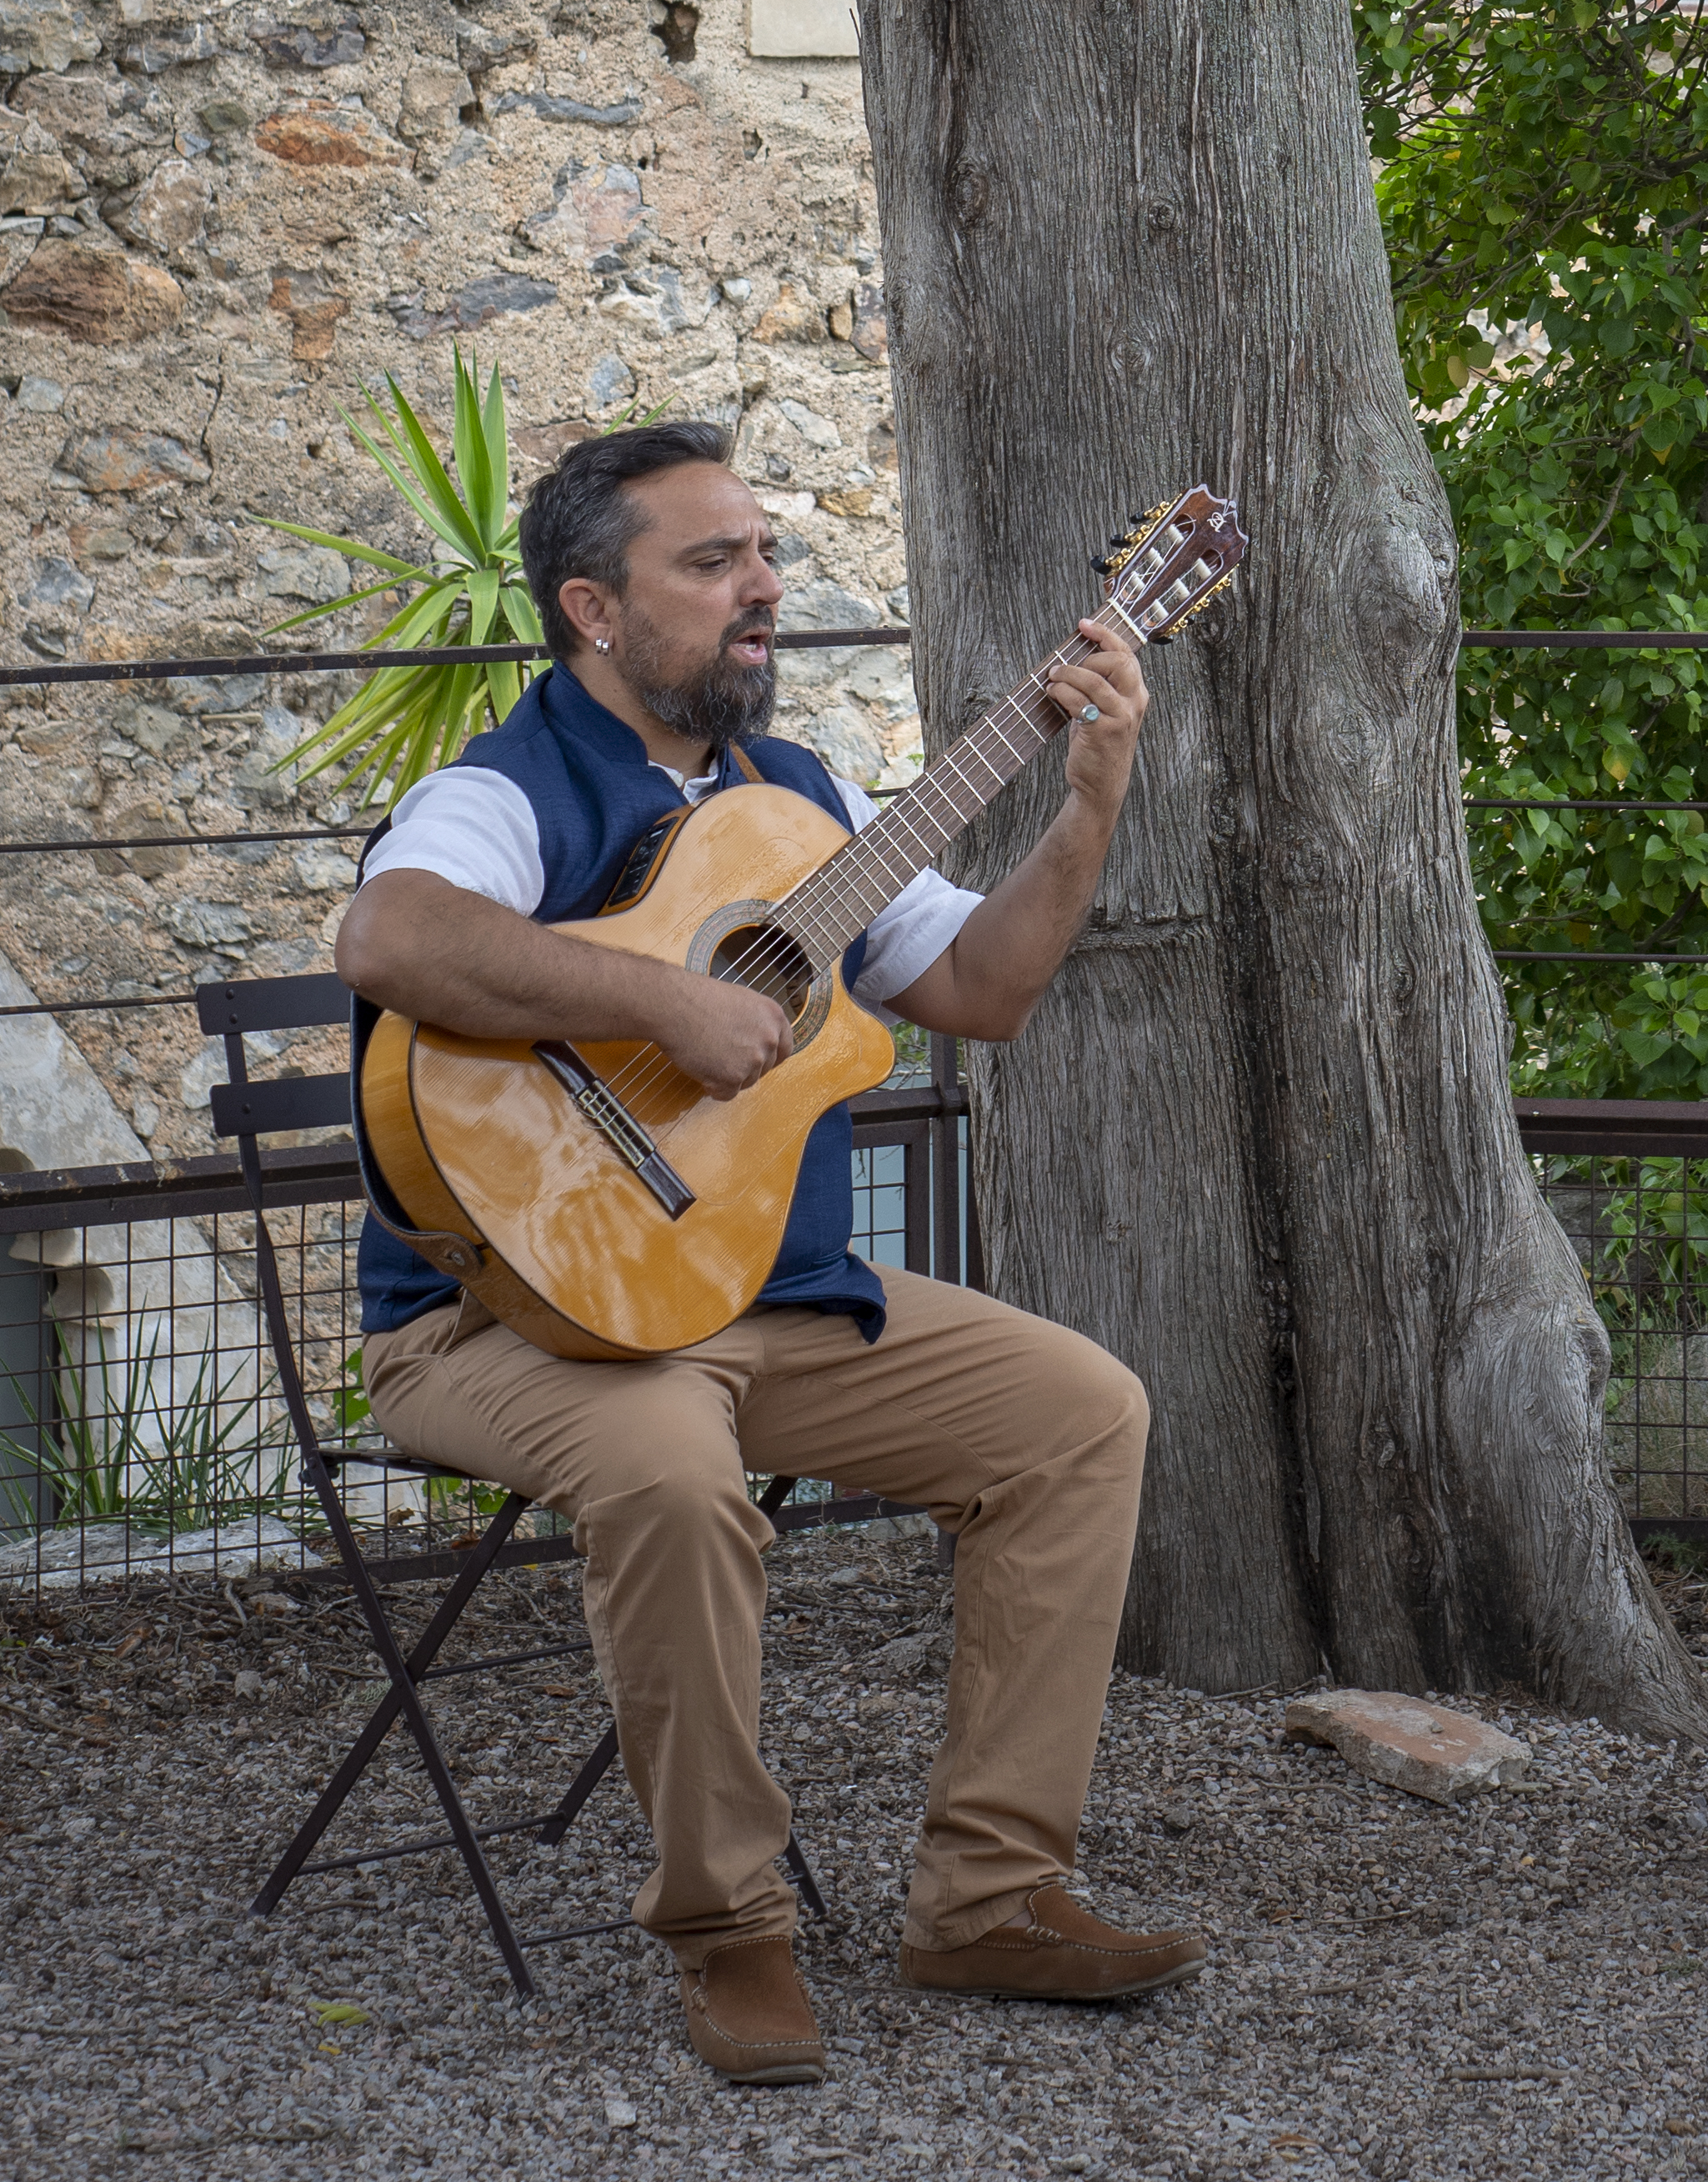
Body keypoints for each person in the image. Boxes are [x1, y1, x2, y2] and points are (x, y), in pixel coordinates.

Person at [337, 418, 1201, 2086]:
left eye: (767, 554)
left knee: (1079, 1413)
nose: (765, 587)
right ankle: (729, 1927)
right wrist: (667, 1000)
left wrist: (1090, 799)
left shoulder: (805, 803)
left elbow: (984, 991)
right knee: (671, 1475)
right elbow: (395, 934)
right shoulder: (499, 790)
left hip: (759, 1297)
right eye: (713, 560)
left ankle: (990, 1896)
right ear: (594, 608)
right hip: (499, 1324)